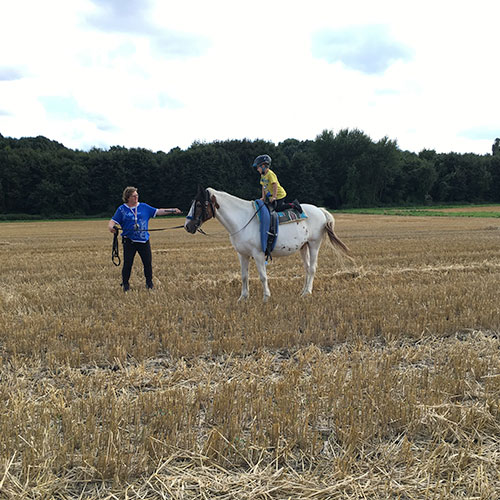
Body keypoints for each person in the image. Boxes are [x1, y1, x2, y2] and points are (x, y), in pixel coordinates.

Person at [108, 186, 181, 291]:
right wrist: (111, 227)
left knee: (147, 263)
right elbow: (112, 221)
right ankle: (125, 284)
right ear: (128, 197)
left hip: (144, 241)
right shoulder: (122, 209)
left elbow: (158, 211)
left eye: (137, 195)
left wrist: (172, 210)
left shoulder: (144, 207)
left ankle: (149, 283)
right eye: (134, 196)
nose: (136, 197)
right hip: (129, 241)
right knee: (128, 264)